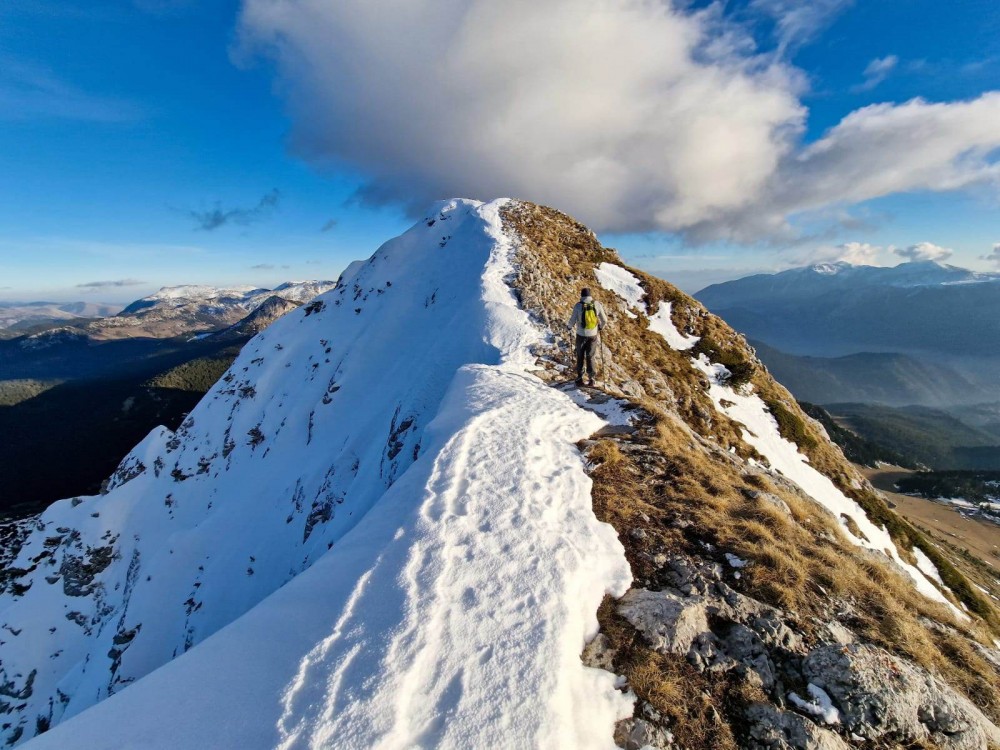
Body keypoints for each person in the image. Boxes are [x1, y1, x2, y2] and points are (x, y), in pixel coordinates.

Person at [567, 287, 608, 387]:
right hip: (593, 335)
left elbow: (572, 319)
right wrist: (600, 327)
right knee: (590, 356)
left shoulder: (578, 306)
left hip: (581, 335)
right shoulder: (597, 304)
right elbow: (605, 320)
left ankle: (579, 378)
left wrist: (568, 327)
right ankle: (592, 379)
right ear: (590, 295)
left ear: (581, 296)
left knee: (580, 356)